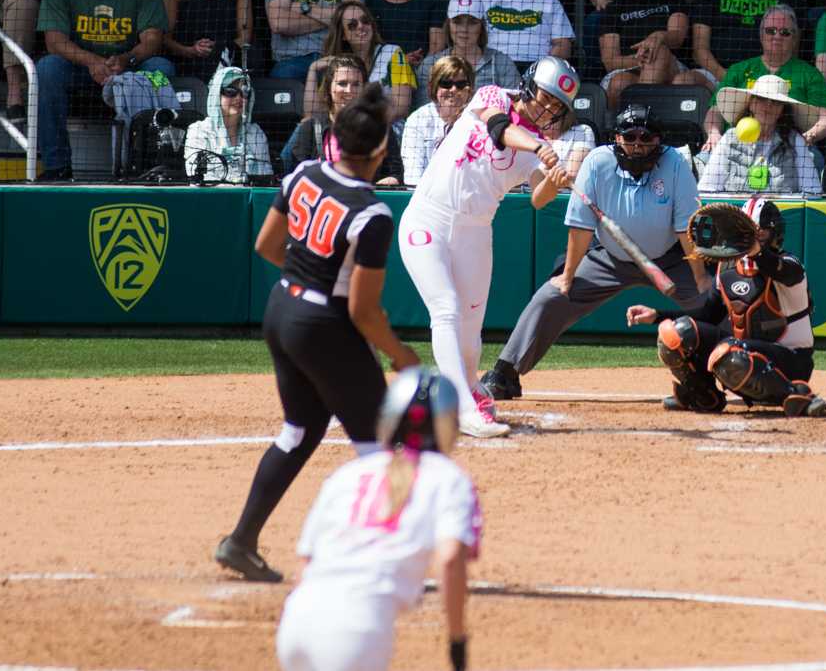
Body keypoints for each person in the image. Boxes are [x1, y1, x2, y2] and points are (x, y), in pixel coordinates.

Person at [215, 83, 420, 583]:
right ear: (379, 151)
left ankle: (241, 540)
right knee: (379, 448)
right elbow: (364, 311)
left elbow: (267, 244)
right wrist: (401, 355)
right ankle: (375, 559)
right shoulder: (372, 213)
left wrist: (307, 274)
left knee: (300, 430)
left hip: (281, 309)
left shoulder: (304, 173)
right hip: (324, 325)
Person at [397, 56, 579, 438]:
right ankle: (459, 405)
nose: (546, 108)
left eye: (556, 106)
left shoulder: (537, 146)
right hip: (428, 218)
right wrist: (540, 148)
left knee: (470, 327)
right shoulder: (492, 94)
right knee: (445, 309)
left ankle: (471, 386)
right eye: (544, 97)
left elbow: (538, 198)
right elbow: (499, 128)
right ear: (529, 85)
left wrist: (555, 179)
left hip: (475, 232)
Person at [479, 104, 708, 402]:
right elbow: (580, 228)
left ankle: (716, 372)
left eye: (646, 138)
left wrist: (701, 277)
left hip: (669, 258)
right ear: (617, 138)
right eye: (631, 137)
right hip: (610, 258)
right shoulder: (597, 162)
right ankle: (505, 372)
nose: (638, 145)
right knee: (552, 296)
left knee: (713, 299)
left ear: (658, 141)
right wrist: (568, 277)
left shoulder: (674, 163)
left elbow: (685, 228)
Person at [275, 366, 479, 671]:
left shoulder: (349, 473)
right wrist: (457, 642)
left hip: (295, 624)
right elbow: (451, 559)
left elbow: (305, 564)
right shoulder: (449, 479)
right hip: (357, 632)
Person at [625, 195, 826, 418]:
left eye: (760, 232)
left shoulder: (790, 265)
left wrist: (756, 251)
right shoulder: (727, 268)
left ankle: (798, 394)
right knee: (674, 332)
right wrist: (657, 315)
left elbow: (780, 270)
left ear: (773, 233)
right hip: (743, 353)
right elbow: (707, 315)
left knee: (728, 353)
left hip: (790, 362)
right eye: (749, 232)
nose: (755, 237)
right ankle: (703, 395)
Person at [35, 0, 175, 181]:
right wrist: (92, 62)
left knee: (160, 68)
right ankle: (57, 166)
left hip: (128, 68)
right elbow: (54, 41)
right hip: (79, 67)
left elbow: (153, 39)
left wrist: (126, 59)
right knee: (47, 69)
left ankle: (147, 162)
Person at [702, 5, 826, 153]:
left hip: (791, 147)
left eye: (785, 32)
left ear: (795, 38)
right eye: (770, 31)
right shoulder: (738, 70)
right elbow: (715, 111)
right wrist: (714, 135)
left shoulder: (810, 75)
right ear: (761, 35)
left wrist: (807, 138)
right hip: (737, 144)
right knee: (705, 157)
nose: (777, 36)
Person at [598, 0, 708, 109]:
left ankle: (641, 121)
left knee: (660, 50)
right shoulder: (614, 9)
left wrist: (659, 36)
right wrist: (642, 58)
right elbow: (611, 61)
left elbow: (677, 37)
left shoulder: (673, 0)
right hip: (629, 69)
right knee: (620, 82)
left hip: (672, 69)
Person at [284, 54, 403, 181]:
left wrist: (390, 180)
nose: (349, 90)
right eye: (342, 83)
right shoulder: (310, 128)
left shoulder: (380, 128)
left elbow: (396, 174)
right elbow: (297, 176)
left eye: (356, 84)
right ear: (329, 87)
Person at [700, 74, 821, 194]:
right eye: (762, 99)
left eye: (776, 101)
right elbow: (707, 188)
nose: (768, 106)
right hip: (735, 212)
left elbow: (812, 190)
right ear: (751, 104)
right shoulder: (730, 138)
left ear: (782, 110)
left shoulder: (795, 141)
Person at [313, 0, 417, 122]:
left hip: (386, 127)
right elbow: (314, 113)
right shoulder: (338, 63)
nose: (361, 26)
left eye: (365, 21)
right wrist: (312, 69)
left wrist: (364, 124)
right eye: (352, 25)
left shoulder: (392, 53)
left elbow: (401, 106)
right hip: (345, 129)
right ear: (343, 35)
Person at [415, 0, 521, 108]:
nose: (464, 29)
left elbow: (514, 107)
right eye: (457, 22)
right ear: (448, 25)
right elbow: (424, 109)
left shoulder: (502, 63)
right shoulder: (430, 65)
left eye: (472, 22)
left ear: (482, 26)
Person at [184, 66, 273, 182]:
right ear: (216, 94)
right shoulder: (198, 130)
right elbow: (194, 171)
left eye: (245, 93)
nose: (239, 98)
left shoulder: (255, 132)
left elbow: (265, 174)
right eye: (230, 92)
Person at [402, 55, 474, 186]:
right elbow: (413, 177)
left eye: (461, 84)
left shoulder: (479, 119)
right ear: (433, 87)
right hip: (427, 196)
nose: (453, 89)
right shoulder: (417, 120)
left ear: (469, 89)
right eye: (446, 84)